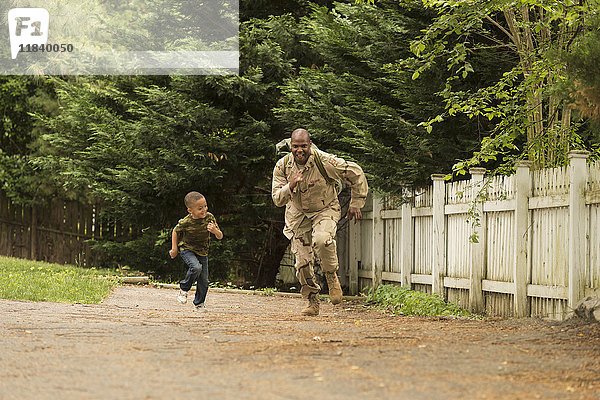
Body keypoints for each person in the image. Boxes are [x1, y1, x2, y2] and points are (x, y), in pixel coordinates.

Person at [272, 128, 368, 316]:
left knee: (323, 240)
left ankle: (331, 276)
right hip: (297, 214)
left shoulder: (324, 160)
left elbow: (355, 172)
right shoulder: (282, 166)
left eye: (303, 146)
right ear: (290, 146)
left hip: (324, 208)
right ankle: (312, 300)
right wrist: (290, 184)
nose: (299, 150)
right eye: (295, 146)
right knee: (302, 263)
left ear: (310, 145)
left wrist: (356, 203)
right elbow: (277, 199)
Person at [169, 191, 223, 312]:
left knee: (204, 281)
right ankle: (184, 289)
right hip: (187, 249)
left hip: (202, 251)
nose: (204, 210)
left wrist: (214, 231)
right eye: (200, 208)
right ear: (190, 210)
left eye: (205, 206)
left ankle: (199, 304)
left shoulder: (209, 217)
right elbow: (175, 231)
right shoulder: (186, 222)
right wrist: (174, 249)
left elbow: (220, 236)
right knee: (196, 268)